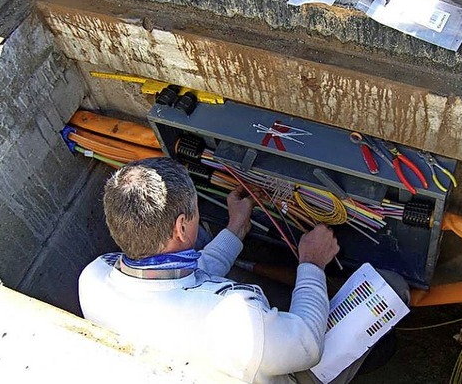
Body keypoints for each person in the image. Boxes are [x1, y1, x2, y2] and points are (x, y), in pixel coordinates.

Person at [79, 157, 342, 383]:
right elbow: (306, 344)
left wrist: (236, 228)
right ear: (181, 227)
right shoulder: (237, 318)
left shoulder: (93, 277)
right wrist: (312, 264)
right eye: (195, 209)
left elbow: (183, 280)